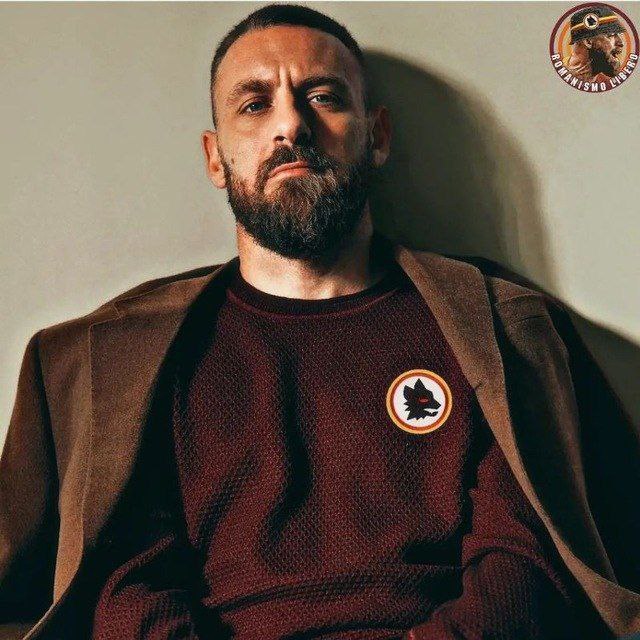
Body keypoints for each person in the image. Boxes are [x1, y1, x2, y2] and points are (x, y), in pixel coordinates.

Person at [1, 4, 639, 639]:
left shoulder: (496, 331)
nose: (291, 125)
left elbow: (521, 564)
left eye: (323, 97)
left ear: (377, 136)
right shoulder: (126, 363)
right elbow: (126, 582)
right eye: (255, 105)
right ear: (215, 158)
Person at [563, 5, 627, 83]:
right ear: (588, 41)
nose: (621, 43)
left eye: (619, 34)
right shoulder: (555, 77)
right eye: (611, 35)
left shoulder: (606, 82)